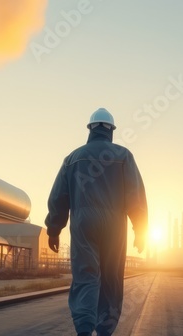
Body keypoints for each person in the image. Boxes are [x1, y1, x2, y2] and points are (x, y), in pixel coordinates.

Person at [46, 108, 148, 336]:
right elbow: (136, 197)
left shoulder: (72, 159)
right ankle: (105, 329)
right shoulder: (124, 156)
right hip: (114, 226)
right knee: (111, 277)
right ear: (111, 130)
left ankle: (83, 329)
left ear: (90, 129)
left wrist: (54, 229)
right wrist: (140, 230)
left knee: (86, 275)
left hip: (83, 223)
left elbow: (58, 197)